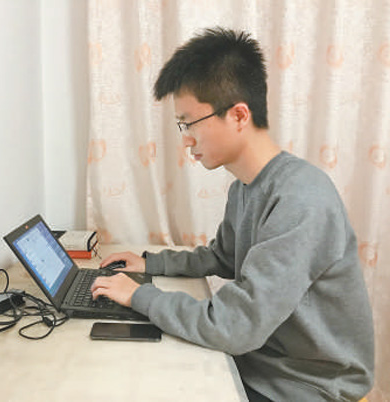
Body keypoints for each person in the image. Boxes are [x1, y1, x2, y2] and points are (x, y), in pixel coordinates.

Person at [91, 27, 374, 401]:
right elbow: (222, 256)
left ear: (239, 115)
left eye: (189, 123)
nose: (185, 139)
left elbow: (237, 326)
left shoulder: (301, 198)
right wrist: (150, 263)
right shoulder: (246, 185)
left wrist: (140, 297)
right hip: (263, 362)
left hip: (306, 385)